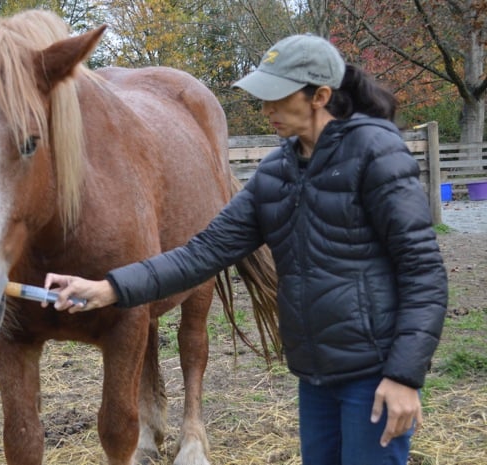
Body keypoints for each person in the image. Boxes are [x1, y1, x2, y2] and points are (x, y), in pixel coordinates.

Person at [42, 33, 447, 465]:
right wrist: (109, 288)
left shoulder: (377, 155)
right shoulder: (277, 173)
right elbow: (203, 252)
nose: (265, 109)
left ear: (321, 96)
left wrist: (403, 376)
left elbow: (424, 273)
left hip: (374, 375)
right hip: (315, 377)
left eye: (276, 97)